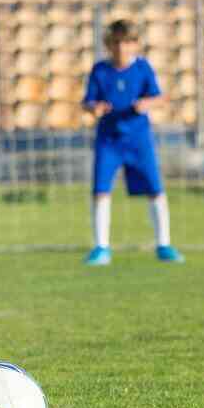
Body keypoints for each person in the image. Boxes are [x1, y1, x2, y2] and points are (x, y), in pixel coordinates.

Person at [81, 20, 184, 266]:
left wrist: (147, 104)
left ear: (136, 45)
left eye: (127, 42)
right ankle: (101, 247)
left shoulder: (143, 68)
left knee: (155, 189)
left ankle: (164, 244)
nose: (121, 48)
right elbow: (87, 102)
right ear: (109, 44)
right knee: (101, 191)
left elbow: (160, 97)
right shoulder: (100, 71)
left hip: (139, 139)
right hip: (109, 140)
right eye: (116, 42)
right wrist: (94, 108)